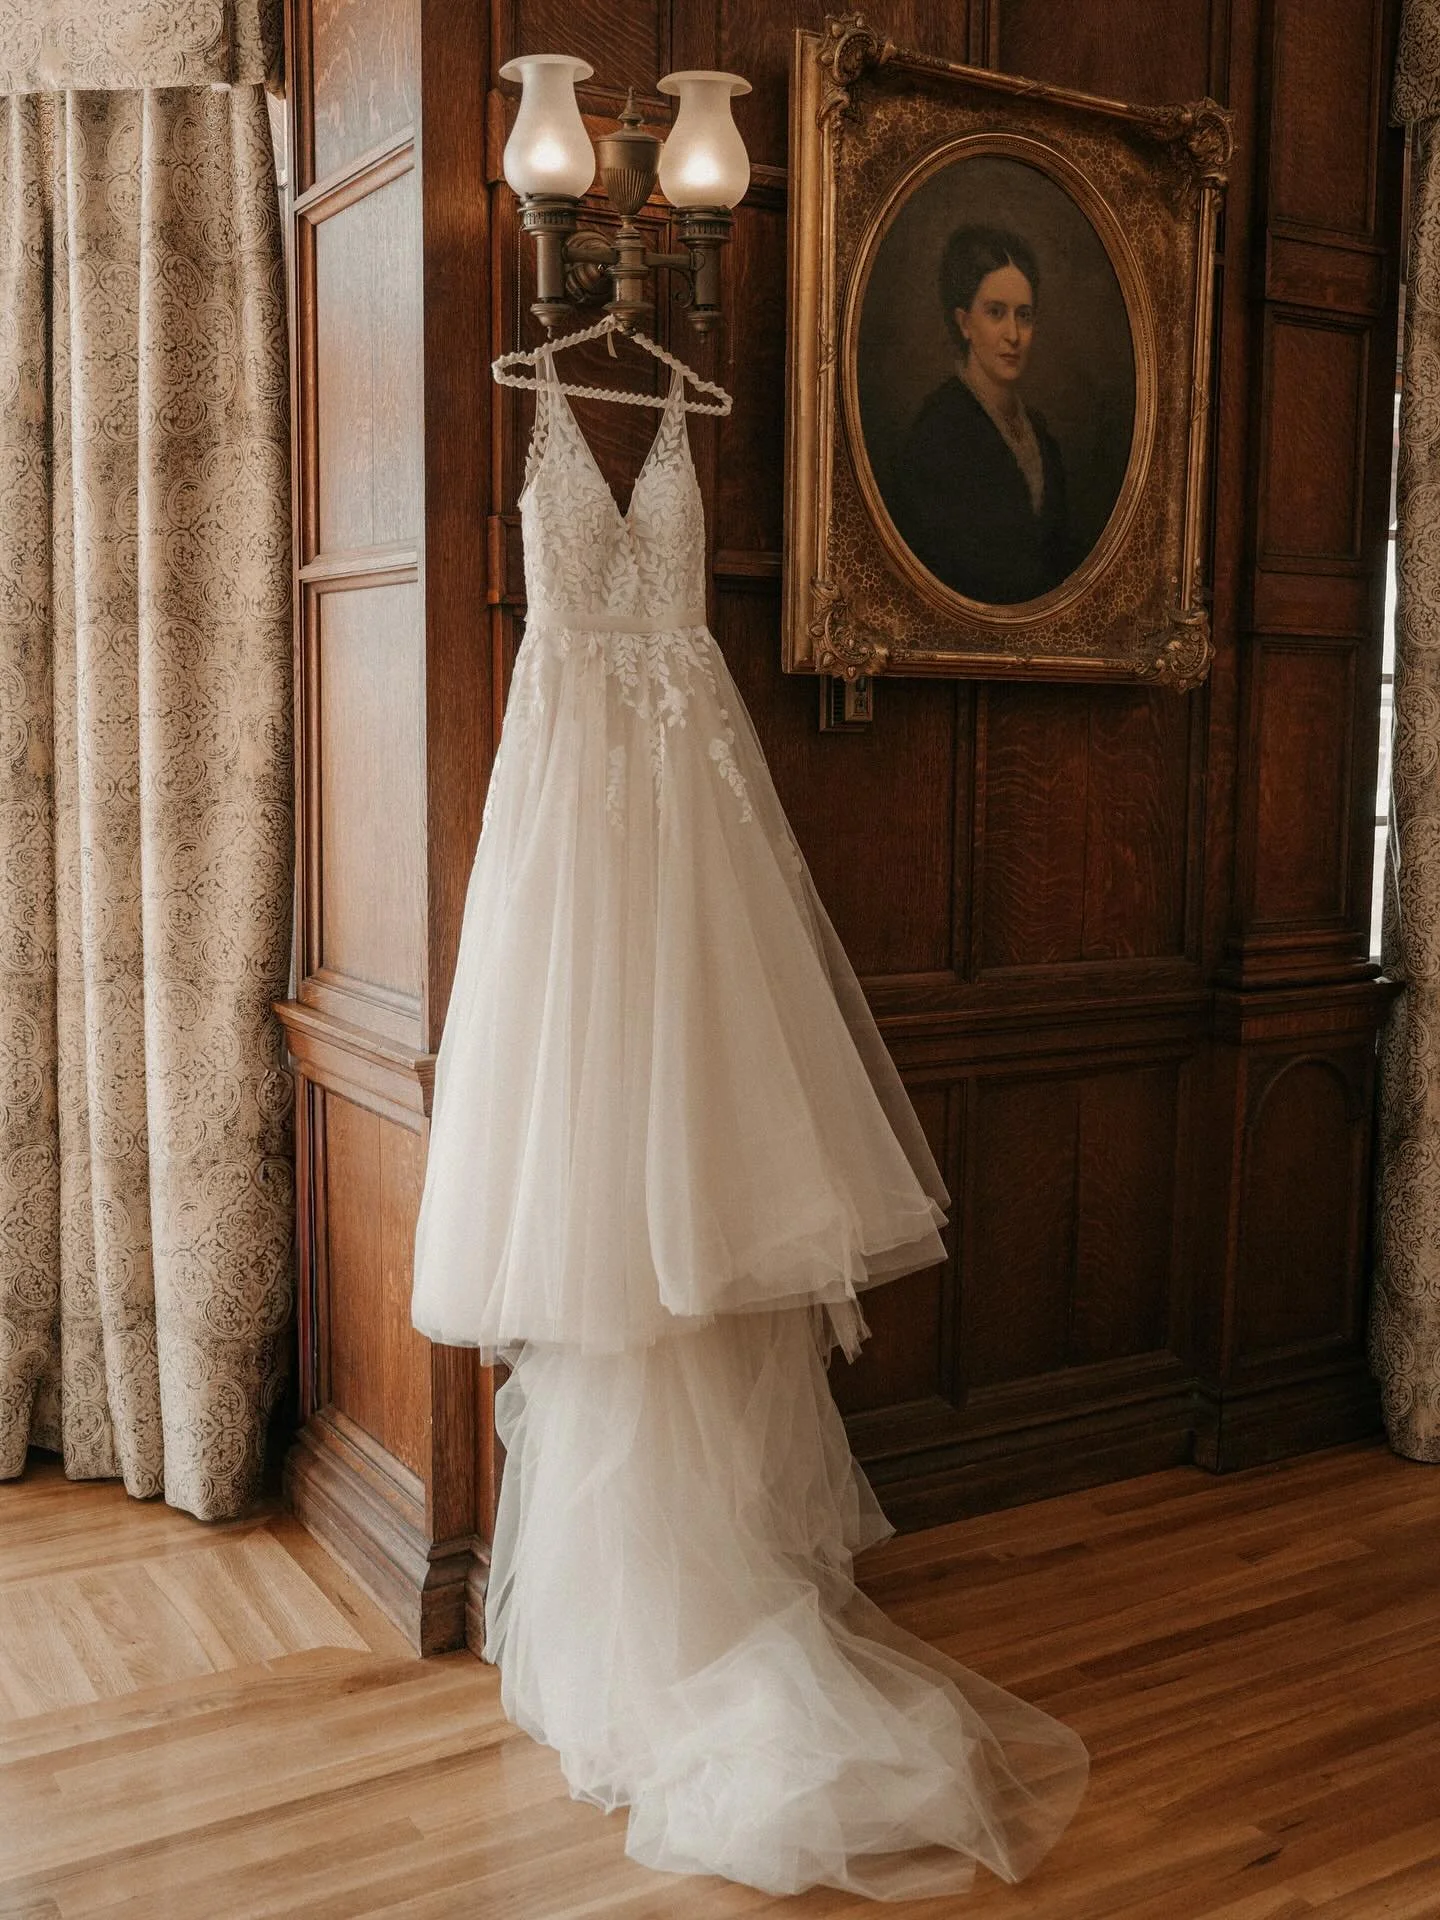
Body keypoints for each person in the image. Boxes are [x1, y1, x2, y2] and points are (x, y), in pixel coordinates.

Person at [888, 224, 1074, 604]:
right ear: (964, 323)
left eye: (1024, 316)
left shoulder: (1043, 439)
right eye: (995, 312)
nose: (1013, 335)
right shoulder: (937, 435)